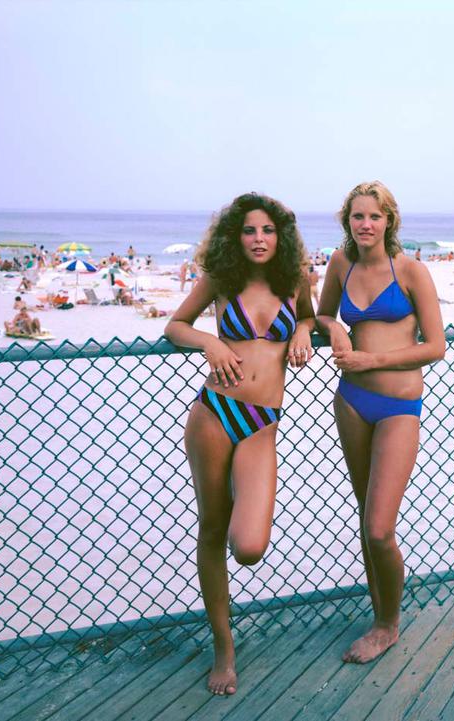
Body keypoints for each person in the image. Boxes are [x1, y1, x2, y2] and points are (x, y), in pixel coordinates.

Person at [164, 193, 315, 696]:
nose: (258, 239)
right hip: (213, 415)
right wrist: (210, 341)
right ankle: (224, 648)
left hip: (260, 425)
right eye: (249, 231)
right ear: (236, 236)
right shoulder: (221, 280)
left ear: (281, 237)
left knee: (248, 546)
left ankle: (235, 524)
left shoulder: (295, 281)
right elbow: (175, 325)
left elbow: (313, 317)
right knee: (211, 530)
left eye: (268, 230)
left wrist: (306, 331)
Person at [316, 181, 445, 664]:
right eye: (356, 217)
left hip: (397, 411)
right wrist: (332, 329)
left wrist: (370, 361)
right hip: (351, 404)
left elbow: (435, 346)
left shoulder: (411, 271)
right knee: (364, 512)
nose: (365, 225)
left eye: (374, 216)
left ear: (389, 219)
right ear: (346, 221)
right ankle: (378, 615)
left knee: (378, 529)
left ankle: (389, 625)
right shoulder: (339, 264)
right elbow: (321, 316)